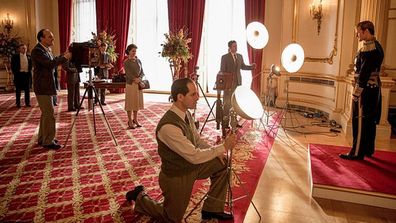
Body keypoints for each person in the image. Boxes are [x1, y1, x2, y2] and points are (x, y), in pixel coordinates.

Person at [126, 78, 237, 222]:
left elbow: (197, 141)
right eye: (193, 94)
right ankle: (140, 197)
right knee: (171, 218)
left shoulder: (186, 113)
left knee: (223, 164)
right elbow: (194, 156)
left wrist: (218, 152)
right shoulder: (168, 127)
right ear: (180, 97)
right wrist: (223, 146)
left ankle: (212, 209)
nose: (198, 97)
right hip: (177, 174)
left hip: (192, 166)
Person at [340, 20, 384, 160]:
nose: (357, 35)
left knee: (359, 121)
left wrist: (356, 93)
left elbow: (364, 74)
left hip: (365, 90)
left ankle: (357, 152)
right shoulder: (377, 45)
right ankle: (368, 150)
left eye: (358, 32)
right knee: (369, 121)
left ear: (365, 31)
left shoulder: (369, 48)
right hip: (373, 89)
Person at [31, 28, 71, 149]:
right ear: (42, 38)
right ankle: (48, 141)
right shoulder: (37, 51)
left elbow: (51, 61)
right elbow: (49, 64)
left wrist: (62, 55)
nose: (52, 38)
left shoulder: (45, 49)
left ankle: (43, 138)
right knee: (49, 114)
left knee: (45, 114)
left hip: (46, 86)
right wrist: (64, 58)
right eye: (50, 36)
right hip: (42, 87)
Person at [220, 40, 255, 128]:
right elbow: (222, 71)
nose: (236, 48)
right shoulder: (225, 57)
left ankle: (235, 122)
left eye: (236, 46)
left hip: (238, 84)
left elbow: (243, 66)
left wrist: (251, 67)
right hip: (228, 85)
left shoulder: (239, 56)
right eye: (234, 46)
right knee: (227, 104)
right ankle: (225, 124)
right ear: (230, 48)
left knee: (236, 103)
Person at [124, 44, 144, 129]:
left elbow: (142, 72)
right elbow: (128, 74)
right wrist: (135, 79)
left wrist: (139, 79)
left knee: (136, 103)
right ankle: (129, 120)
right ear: (128, 51)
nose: (134, 53)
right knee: (130, 103)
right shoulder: (126, 62)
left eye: (135, 51)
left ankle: (135, 119)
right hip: (131, 84)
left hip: (138, 84)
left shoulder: (138, 61)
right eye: (133, 51)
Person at [11, 43, 32, 108]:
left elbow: (31, 65)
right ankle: (18, 103)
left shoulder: (29, 56)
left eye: (25, 48)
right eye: (23, 48)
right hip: (19, 75)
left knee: (27, 90)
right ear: (19, 49)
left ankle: (27, 103)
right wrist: (16, 73)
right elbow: (13, 66)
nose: (24, 49)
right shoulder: (15, 56)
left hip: (27, 75)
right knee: (18, 90)